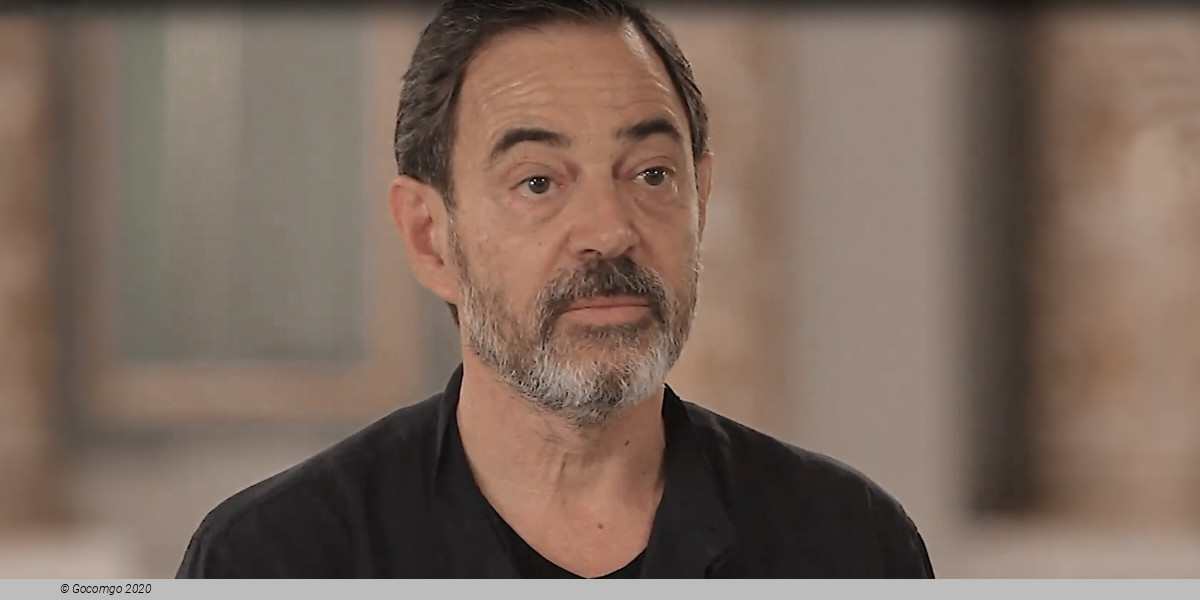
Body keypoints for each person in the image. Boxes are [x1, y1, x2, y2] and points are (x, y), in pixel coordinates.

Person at [176, 0, 934, 579]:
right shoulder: (276, 559)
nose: (610, 230)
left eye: (652, 175)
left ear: (700, 202)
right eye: (538, 182)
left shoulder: (852, 546)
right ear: (430, 237)